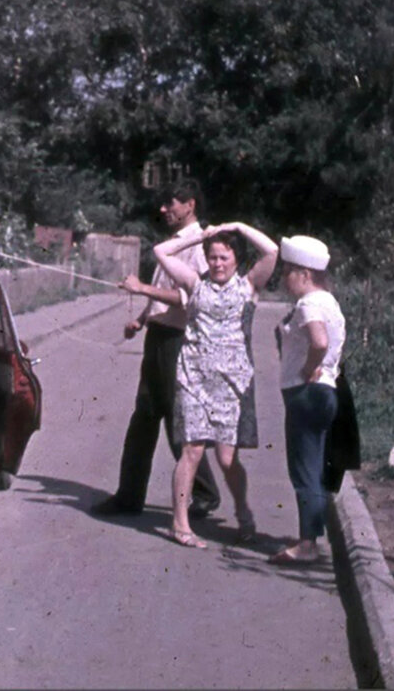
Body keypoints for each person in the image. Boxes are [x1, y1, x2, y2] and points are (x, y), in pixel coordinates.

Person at [91, 180, 221, 518]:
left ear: (190, 205)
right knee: (145, 419)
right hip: (159, 337)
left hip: (177, 343)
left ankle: (205, 494)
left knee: (175, 420)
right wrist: (143, 318)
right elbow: (166, 292)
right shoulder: (174, 243)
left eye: (170, 203)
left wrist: (141, 287)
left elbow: (190, 298)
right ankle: (129, 497)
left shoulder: (198, 245)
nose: (163, 210)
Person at [154, 221, 279, 548]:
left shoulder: (249, 286)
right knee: (191, 451)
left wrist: (238, 226)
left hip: (231, 385)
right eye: (212, 257)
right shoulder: (195, 284)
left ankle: (243, 513)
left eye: (224, 257)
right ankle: (179, 524)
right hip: (193, 379)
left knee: (227, 459)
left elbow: (271, 251)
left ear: (236, 259)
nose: (217, 264)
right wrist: (201, 236)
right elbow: (160, 251)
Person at [269, 235, 347, 565]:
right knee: (312, 467)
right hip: (326, 392)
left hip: (307, 393)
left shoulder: (310, 303)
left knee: (304, 469)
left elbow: (319, 340)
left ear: (304, 274)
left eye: (288, 271)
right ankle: (310, 536)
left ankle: (307, 544)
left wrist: (308, 368)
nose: (284, 278)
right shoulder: (331, 302)